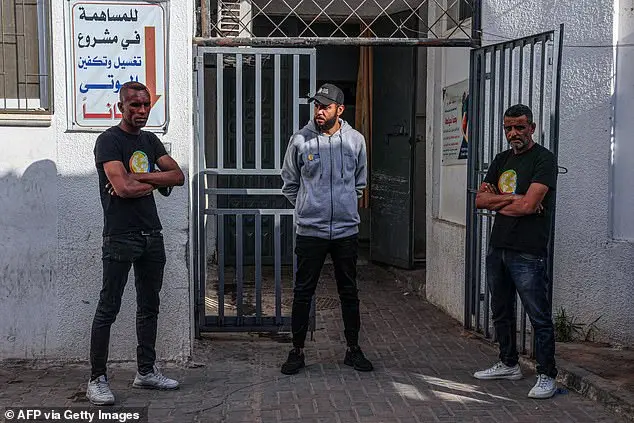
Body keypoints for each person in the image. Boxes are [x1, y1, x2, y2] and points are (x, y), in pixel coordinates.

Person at [86, 81, 185, 405]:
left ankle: (146, 372)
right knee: (108, 308)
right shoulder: (108, 141)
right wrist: (154, 179)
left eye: (146, 105)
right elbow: (122, 188)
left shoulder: (150, 140)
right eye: (135, 106)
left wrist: (139, 179)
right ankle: (97, 378)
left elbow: (178, 176)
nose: (142, 111)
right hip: (120, 235)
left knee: (149, 306)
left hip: (151, 235)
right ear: (121, 108)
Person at [280, 83, 373, 375]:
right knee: (303, 292)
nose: (319, 111)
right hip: (311, 231)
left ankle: (353, 350)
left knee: (349, 291)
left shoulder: (355, 140)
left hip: (346, 231)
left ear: (339, 109)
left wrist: (345, 206)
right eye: (317, 106)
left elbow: (360, 183)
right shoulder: (300, 140)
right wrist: (309, 207)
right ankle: (296, 351)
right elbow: (290, 183)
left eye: (326, 107)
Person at [473, 104, 558, 399]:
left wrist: (506, 200)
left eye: (520, 127)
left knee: (538, 315)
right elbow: (480, 200)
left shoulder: (543, 160)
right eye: (508, 128)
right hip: (499, 246)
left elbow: (530, 206)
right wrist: (514, 197)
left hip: (528, 251)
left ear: (531, 128)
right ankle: (509, 363)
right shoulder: (501, 159)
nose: (513, 133)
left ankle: (547, 374)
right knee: (500, 310)